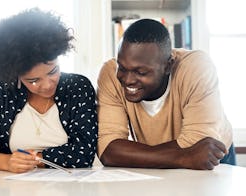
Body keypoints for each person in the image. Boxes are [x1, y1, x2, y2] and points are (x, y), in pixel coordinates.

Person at [97, 18, 235, 170]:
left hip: (213, 159)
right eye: (122, 68)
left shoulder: (196, 67)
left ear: (168, 65)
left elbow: (199, 146)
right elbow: (108, 149)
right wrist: (184, 157)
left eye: (140, 72)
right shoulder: (109, 73)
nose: (128, 80)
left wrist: (132, 154)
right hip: (165, 160)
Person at [0, 8, 98, 173]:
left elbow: (84, 153)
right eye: (33, 80)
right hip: (10, 186)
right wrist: (7, 162)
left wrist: (36, 159)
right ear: (14, 74)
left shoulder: (78, 87)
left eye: (53, 71)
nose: (47, 85)